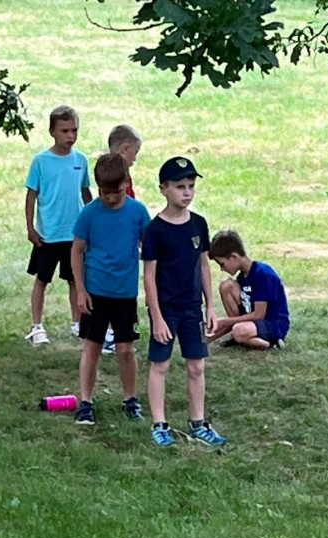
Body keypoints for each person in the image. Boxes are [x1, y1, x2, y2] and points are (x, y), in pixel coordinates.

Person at [142, 156, 226, 447]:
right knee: (161, 365)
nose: (187, 192)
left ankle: (198, 423)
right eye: (180, 187)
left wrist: (210, 306)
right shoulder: (154, 230)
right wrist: (157, 316)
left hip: (192, 308)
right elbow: (149, 276)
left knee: (197, 366)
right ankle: (159, 424)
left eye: (191, 186)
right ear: (163, 189)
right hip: (166, 308)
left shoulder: (199, 224)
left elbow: (204, 266)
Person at [71, 153, 151, 426]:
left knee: (125, 349)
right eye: (105, 192)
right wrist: (81, 290)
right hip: (96, 292)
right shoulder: (89, 213)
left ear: (126, 183)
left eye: (116, 191)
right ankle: (86, 402)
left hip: (125, 293)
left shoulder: (138, 212)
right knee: (92, 347)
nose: (110, 198)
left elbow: (150, 249)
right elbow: (77, 251)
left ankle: (130, 399)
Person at [24, 105, 92, 345]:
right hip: (48, 235)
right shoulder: (41, 161)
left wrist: (94, 222)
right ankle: (37, 326)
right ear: (52, 131)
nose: (70, 136)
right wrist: (31, 228)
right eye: (65, 131)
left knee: (75, 280)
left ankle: (77, 322)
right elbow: (31, 195)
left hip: (74, 235)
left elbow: (85, 192)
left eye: (74, 130)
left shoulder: (81, 160)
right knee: (42, 279)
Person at [207, 230, 290, 350]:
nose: (222, 269)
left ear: (234, 257)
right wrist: (207, 340)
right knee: (226, 286)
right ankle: (240, 336)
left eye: (222, 264)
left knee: (238, 330)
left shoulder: (262, 274)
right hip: (253, 323)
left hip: (272, 324)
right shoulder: (243, 276)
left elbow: (259, 315)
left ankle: (273, 343)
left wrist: (226, 321)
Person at [101, 124, 143, 355]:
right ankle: (110, 333)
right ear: (126, 149)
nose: (135, 158)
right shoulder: (115, 177)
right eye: (135, 153)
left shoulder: (123, 175)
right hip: (117, 239)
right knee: (111, 285)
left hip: (127, 237)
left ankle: (117, 331)